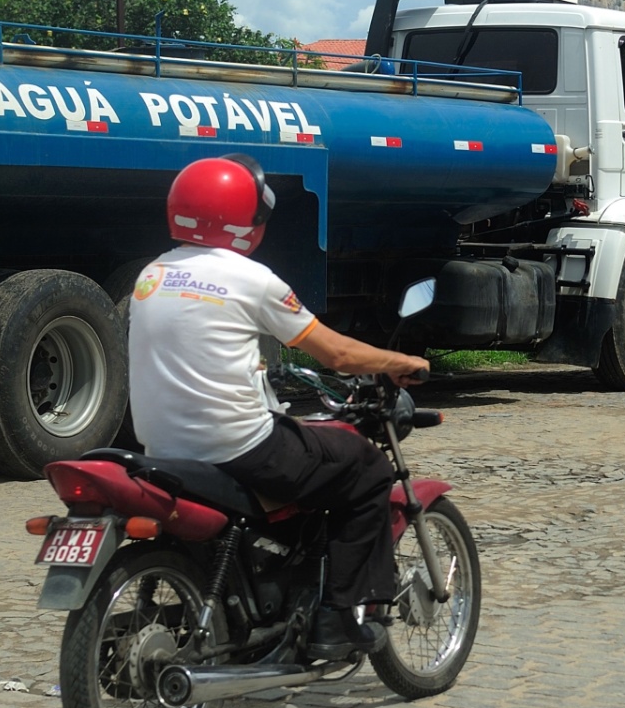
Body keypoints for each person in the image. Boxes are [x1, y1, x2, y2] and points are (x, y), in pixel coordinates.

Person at [128, 154, 430, 659]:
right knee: (366, 467)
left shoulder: (152, 274)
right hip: (239, 446)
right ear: (248, 220)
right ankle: (337, 619)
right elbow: (338, 354)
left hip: (165, 448)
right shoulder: (252, 279)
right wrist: (402, 361)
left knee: (309, 459)